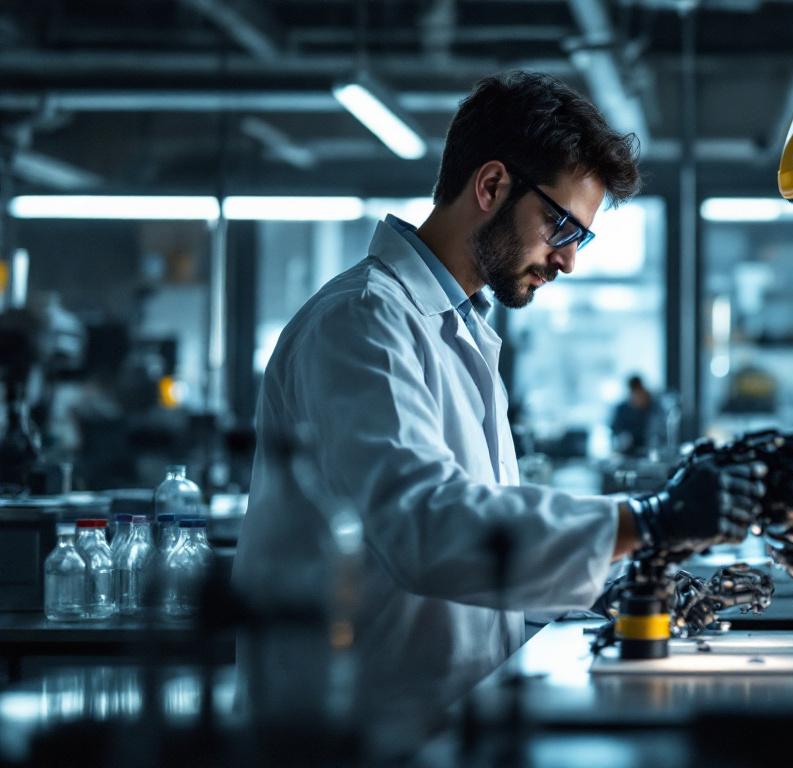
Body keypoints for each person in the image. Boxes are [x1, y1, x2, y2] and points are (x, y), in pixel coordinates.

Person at [232, 72, 765, 745]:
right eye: (561, 224)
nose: (568, 259)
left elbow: (482, 538)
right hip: (357, 727)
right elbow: (424, 525)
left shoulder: (458, 326)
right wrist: (647, 520)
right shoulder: (362, 322)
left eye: (581, 237)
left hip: (444, 716)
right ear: (491, 188)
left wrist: (611, 576)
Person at [610, 375, 661, 456]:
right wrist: (622, 438)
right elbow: (614, 430)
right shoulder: (622, 409)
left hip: (647, 450)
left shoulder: (652, 406)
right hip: (626, 452)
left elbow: (656, 430)